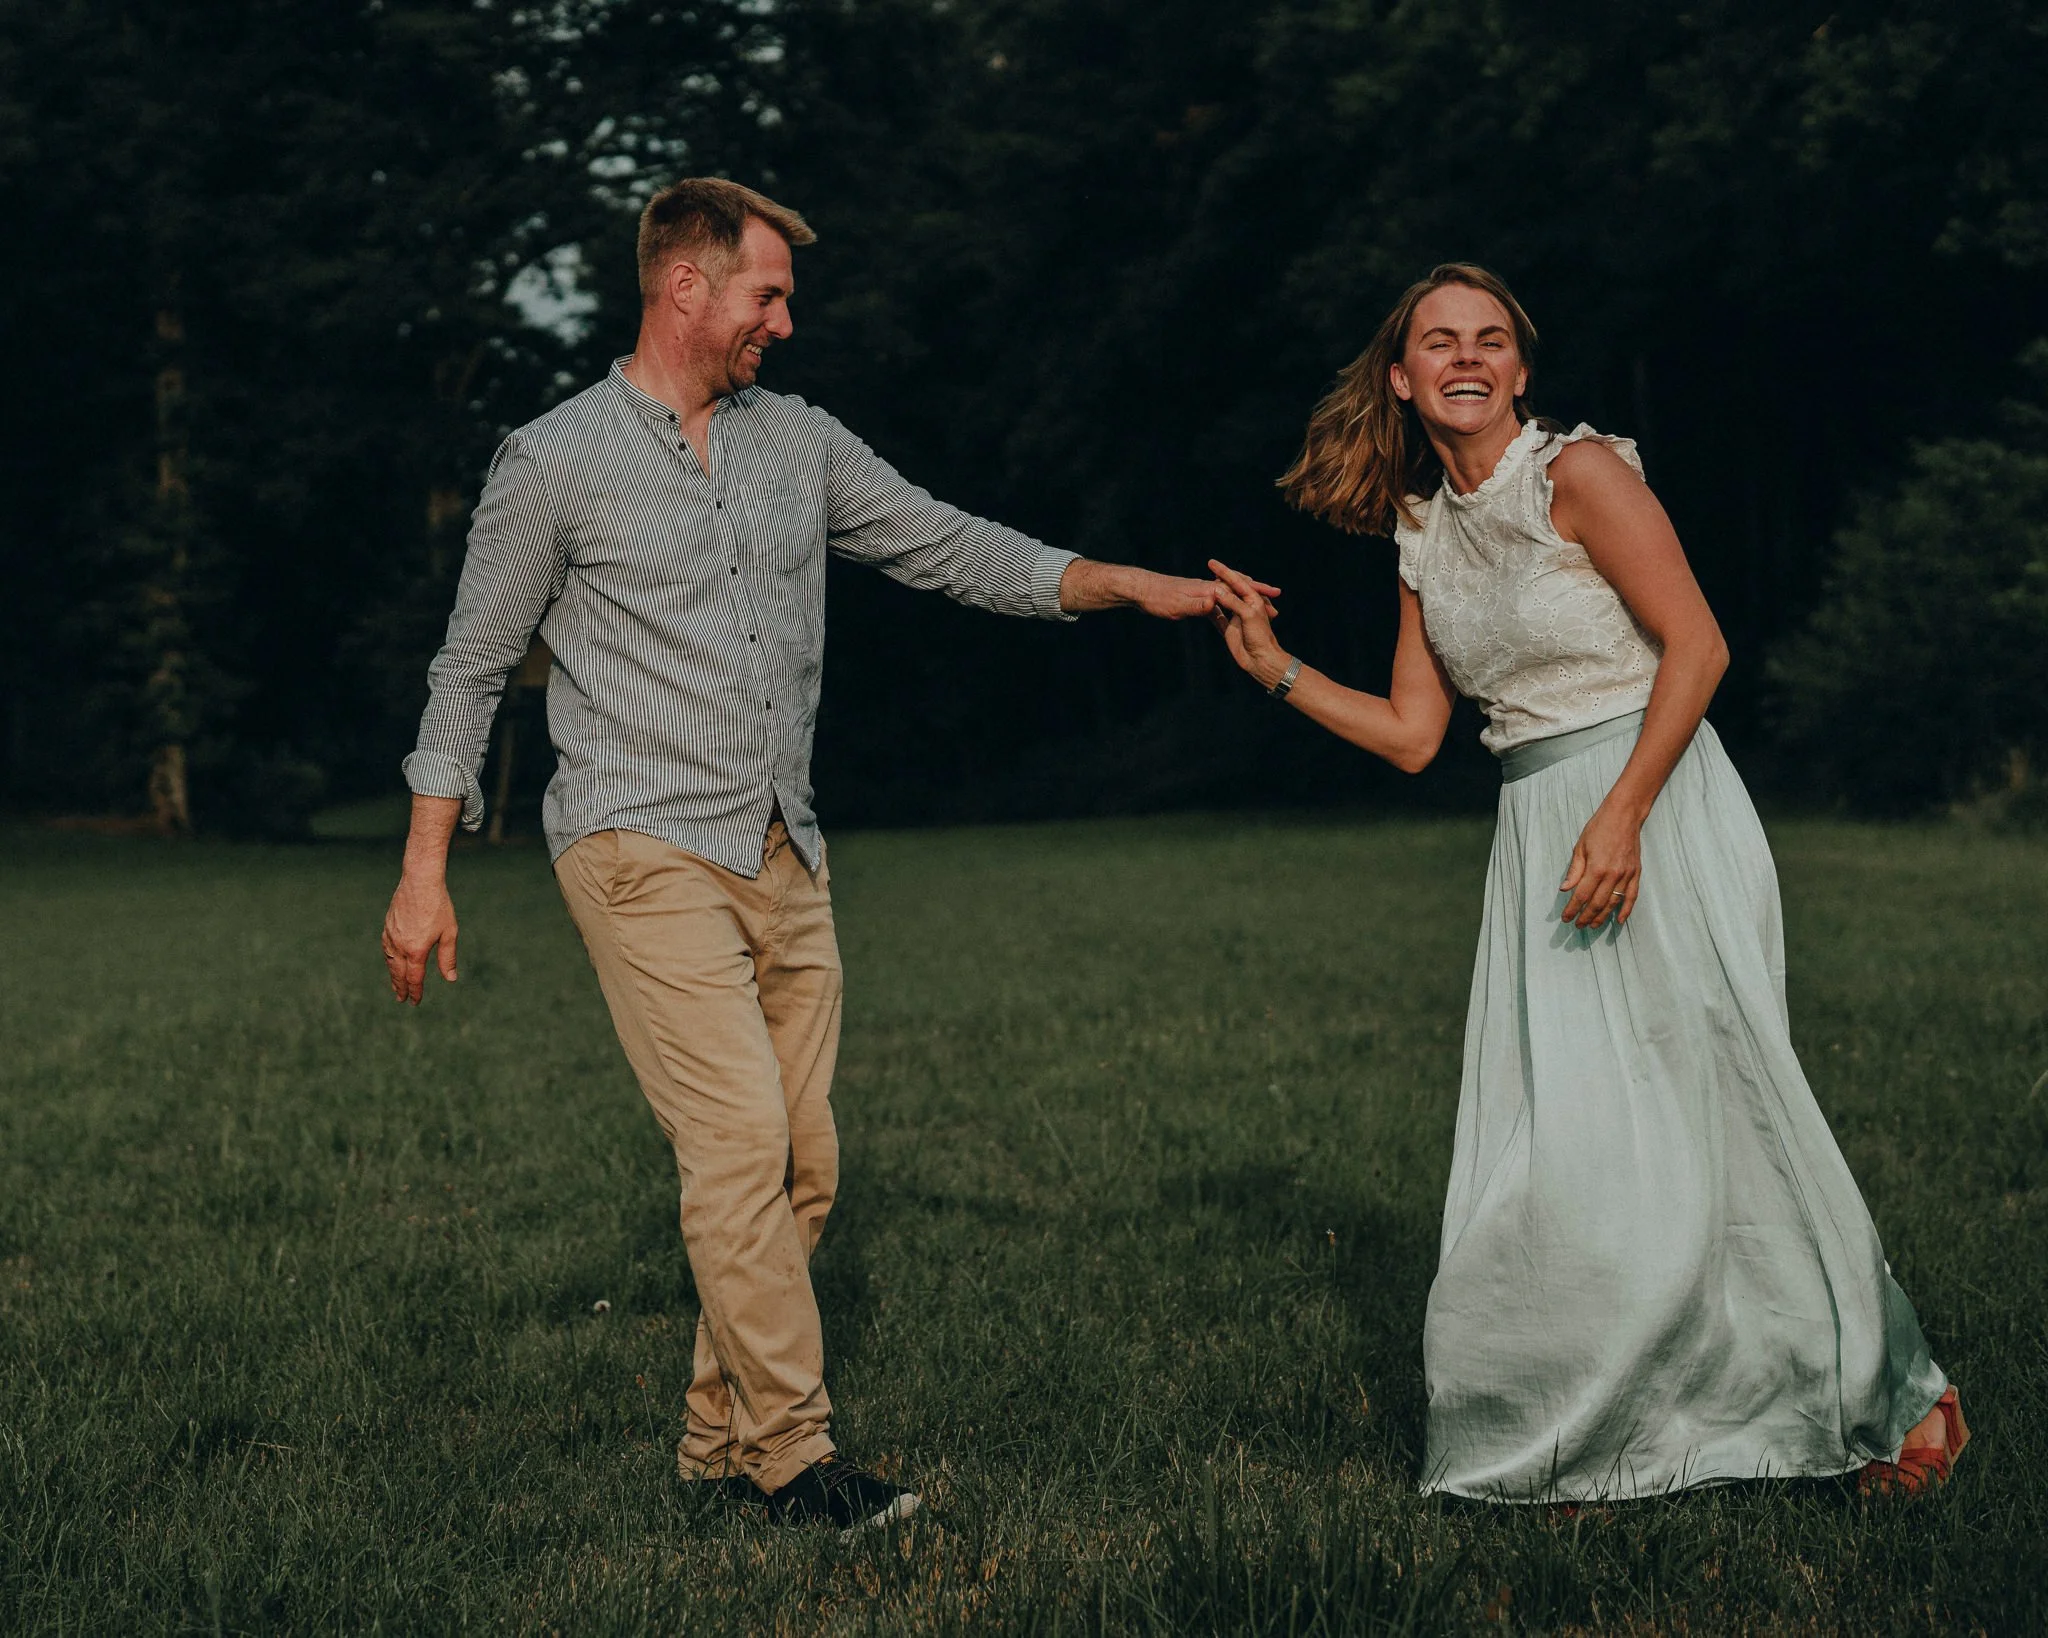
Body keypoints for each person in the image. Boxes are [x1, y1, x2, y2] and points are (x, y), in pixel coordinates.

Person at [380, 177, 1253, 1533]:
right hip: (637, 837)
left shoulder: (798, 444)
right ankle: (797, 1463)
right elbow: (473, 667)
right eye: (767, 294)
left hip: (783, 838)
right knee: (735, 1144)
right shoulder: (551, 460)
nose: (784, 322)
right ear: (686, 286)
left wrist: (1127, 584)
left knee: (803, 1164)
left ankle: (715, 1453)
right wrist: (426, 866)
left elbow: (948, 544)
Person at [1205, 262, 1968, 1503]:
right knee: (1564, 1132)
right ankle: (1615, 1404)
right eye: (1438, 341)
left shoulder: (1578, 475)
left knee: (1717, 1097)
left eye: (1490, 339)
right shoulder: (1422, 527)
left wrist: (1621, 817)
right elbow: (1411, 733)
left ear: (1519, 365)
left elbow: (1698, 644)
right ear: (1398, 379)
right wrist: (1272, 666)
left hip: (1651, 798)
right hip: (1535, 824)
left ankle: (1884, 1391)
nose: (1465, 357)